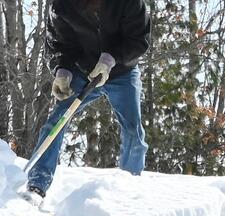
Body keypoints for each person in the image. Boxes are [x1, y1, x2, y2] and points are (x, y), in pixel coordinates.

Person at [23, 0, 152, 203]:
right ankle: (37, 185)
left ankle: (129, 189)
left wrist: (111, 59)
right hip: (83, 71)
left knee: (133, 130)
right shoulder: (62, 5)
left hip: (122, 71)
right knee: (56, 123)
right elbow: (58, 44)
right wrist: (62, 70)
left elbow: (139, 40)